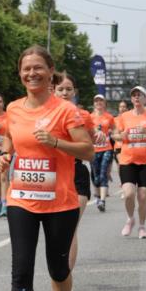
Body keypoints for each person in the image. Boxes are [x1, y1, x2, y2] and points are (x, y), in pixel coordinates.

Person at [0, 46, 94, 291]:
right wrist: (6, 156)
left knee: (57, 268)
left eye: (38, 68)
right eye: (26, 69)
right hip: (21, 198)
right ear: (20, 73)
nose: (32, 74)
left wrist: (57, 143)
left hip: (59, 201)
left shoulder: (65, 110)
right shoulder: (13, 108)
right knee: (20, 268)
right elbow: (11, 139)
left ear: (51, 71)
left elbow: (87, 151)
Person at [52, 71, 97, 276]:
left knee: (70, 228)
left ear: (75, 92)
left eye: (68, 89)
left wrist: (96, 137)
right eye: (60, 89)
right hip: (52, 173)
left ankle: (66, 274)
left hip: (77, 171)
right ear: (53, 90)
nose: (64, 92)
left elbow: (89, 147)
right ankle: (59, 270)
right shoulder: (45, 115)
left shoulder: (84, 116)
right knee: (56, 231)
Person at [113, 86, 146, 239]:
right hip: (127, 160)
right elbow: (115, 136)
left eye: (139, 95)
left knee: (143, 196)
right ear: (131, 99)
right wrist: (122, 135)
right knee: (128, 194)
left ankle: (142, 225)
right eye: (133, 95)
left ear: (144, 98)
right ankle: (130, 219)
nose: (136, 98)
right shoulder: (124, 117)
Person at [90, 94, 115, 212]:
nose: (99, 103)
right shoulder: (89, 117)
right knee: (95, 177)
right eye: (96, 101)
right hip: (93, 150)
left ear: (105, 103)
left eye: (101, 101)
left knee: (103, 173)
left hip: (106, 148)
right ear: (94, 103)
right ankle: (99, 196)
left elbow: (115, 130)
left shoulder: (109, 117)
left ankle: (103, 201)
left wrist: (114, 135)